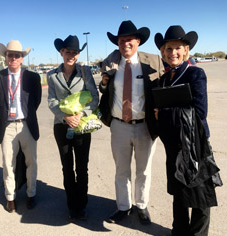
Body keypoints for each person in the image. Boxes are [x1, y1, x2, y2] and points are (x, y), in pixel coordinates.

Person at [154, 25, 220, 236]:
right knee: (179, 190)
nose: (173, 52)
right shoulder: (163, 80)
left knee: (200, 192)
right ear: (163, 52)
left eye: (178, 48)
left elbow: (200, 111)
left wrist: (163, 113)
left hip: (195, 143)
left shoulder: (195, 74)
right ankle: (179, 230)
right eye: (169, 48)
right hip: (173, 144)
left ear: (186, 50)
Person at [99, 20, 164, 224]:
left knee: (143, 170)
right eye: (121, 41)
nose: (125, 44)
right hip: (119, 126)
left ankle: (142, 205)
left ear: (138, 41)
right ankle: (123, 206)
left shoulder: (153, 62)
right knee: (122, 170)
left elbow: (164, 87)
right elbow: (105, 91)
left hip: (145, 125)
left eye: (129, 40)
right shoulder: (110, 63)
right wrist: (103, 83)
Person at [47, 35, 99, 221]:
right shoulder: (52, 75)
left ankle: (82, 204)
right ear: (61, 52)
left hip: (82, 127)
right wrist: (65, 117)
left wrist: (81, 115)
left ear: (78, 54)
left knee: (82, 167)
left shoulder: (85, 72)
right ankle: (72, 205)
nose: (71, 55)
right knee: (67, 167)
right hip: (61, 127)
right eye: (67, 51)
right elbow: (51, 101)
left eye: (74, 52)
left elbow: (94, 96)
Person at [0, 40, 42, 213]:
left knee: (31, 162)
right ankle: (10, 197)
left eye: (17, 55)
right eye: (10, 55)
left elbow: (36, 101)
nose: (13, 58)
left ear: (22, 58)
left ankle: (31, 194)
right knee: (7, 163)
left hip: (27, 124)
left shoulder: (33, 77)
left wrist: (24, 115)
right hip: (7, 126)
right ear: (5, 57)